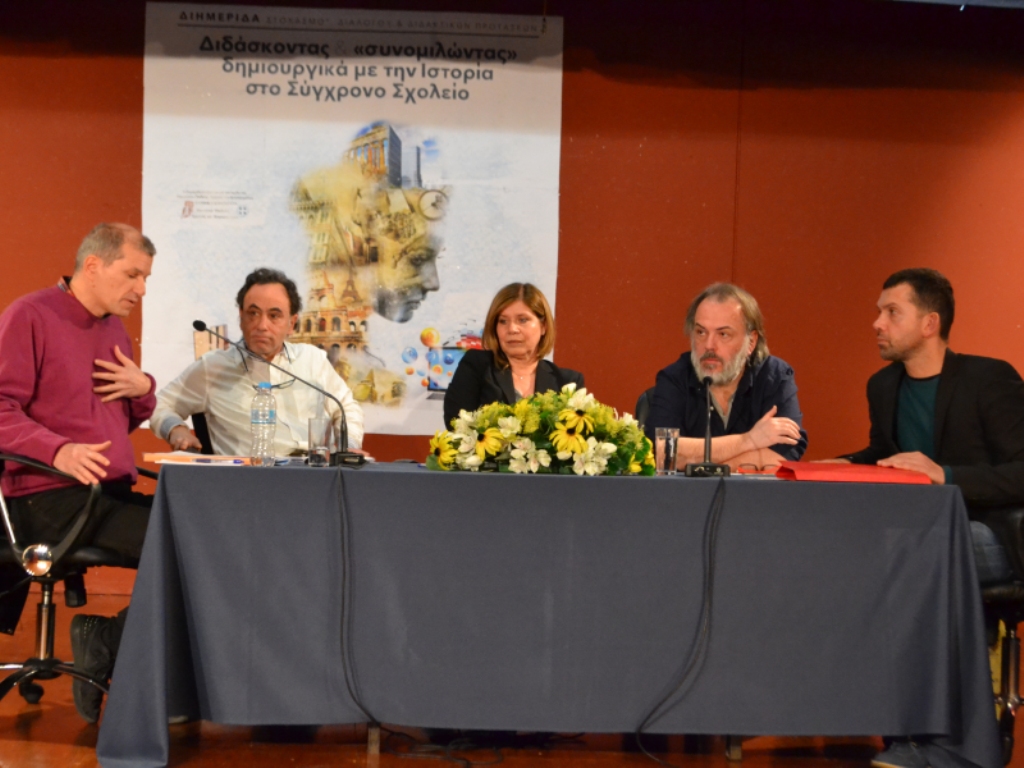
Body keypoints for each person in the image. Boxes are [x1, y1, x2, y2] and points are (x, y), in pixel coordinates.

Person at [831, 268, 1024, 768]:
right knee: (861, 549)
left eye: (891, 312)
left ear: (929, 323)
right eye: (879, 312)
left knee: (911, 553)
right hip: (923, 537)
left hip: (992, 535)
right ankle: (893, 726)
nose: (877, 323)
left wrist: (946, 475)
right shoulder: (883, 386)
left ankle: (948, 744)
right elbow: (883, 456)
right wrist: (831, 465)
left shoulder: (989, 379)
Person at [0, 222, 157, 723]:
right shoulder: (30, 315)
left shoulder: (112, 328)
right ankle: (107, 642)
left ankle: (107, 637)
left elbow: (116, 419)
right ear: (93, 265)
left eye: (146, 278)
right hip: (50, 498)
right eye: (132, 274)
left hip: (105, 494)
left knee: (203, 534)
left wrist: (144, 391)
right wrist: (58, 450)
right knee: (188, 545)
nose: (141, 289)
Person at [151, 268, 365, 456]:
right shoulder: (214, 367)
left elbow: (346, 407)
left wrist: (349, 446)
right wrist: (176, 429)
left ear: (291, 324)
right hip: (248, 479)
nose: (262, 325)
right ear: (241, 317)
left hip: (315, 474)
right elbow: (158, 405)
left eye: (274, 316)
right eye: (253, 313)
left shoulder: (312, 359)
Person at [645, 283, 807, 470]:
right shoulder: (674, 378)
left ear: (751, 342)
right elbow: (663, 453)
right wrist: (749, 441)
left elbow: (782, 460)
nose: (709, 345)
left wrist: (696, 463)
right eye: (701, 332)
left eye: (723, 334)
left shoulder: (775, 378)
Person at [443, 283, 584, 428]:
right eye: (503, 321)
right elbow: (457, 424)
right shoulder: (477, 366)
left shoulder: (567, 382)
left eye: (522, 320)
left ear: (544, 326)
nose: (512, 329)